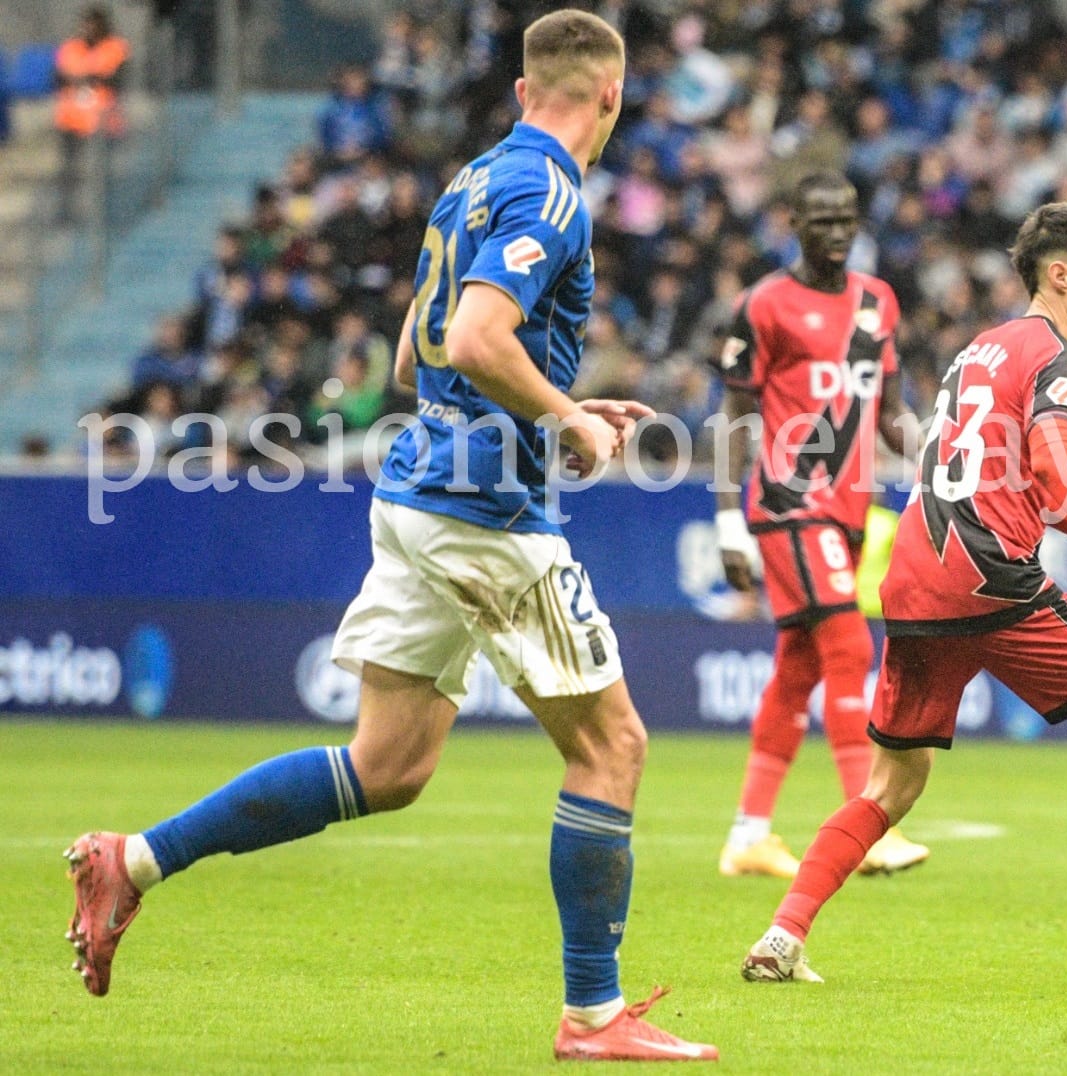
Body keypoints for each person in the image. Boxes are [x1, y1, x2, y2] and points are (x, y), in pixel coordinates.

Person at [64, 11, 717, 1062]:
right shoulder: (550, 191)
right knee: (613, 745)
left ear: (519, 92)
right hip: (485, 515)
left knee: (388, 762)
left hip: (417, 491)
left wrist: (565, 403)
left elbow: (421, 360)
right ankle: (593, 1015)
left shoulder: (472, 182)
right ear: (613, 94)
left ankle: (130, 860)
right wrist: (568, 418)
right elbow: (472, 336)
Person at [740, 202, 1067, 986]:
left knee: (891, 786)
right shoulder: (1060, 360)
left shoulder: (981, 351)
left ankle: (782, 935)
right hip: (990, 583)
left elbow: (1015, 483)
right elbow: (1050, 464)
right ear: (1061, 274)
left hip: (914, 584)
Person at [712, 172, 929, 879]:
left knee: (798, 667)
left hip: (850, 507)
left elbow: (888, 412)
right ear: (794, 223)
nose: (837, 231)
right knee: (846, 644)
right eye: (822, 219)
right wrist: (726, 522)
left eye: (847, 218)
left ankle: (749, 834)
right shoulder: (765, 305)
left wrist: (938, 456)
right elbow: (735, 416)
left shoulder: (878, 303)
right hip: (788, 499)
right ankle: (864, 824)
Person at [53, 6, 128, 222]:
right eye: (85, 23)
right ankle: (68, 215)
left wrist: (88, 78)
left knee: (102, 174)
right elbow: (57, 77)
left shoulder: (115, 47)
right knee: (70, 173)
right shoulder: (70, 48)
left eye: (93, 23)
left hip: (103, 121)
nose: (89, 28)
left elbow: (117, 79)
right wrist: (89, 78)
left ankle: (103, 215)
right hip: (71, 120)